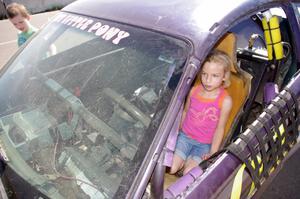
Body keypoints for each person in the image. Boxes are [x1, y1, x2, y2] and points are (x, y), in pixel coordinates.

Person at [170, 50, 233, 175]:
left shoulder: (225, 101)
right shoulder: (193, 91)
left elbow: (220, 128)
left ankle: (188, 162)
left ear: (224, 76)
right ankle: (183, 160)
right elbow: (185, 112)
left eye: (215, 76)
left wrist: (212, 154)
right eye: (204, 74)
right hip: (184, 138)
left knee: (189, 174)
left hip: (204, 146)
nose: (208, 80)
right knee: (171, 168)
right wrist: (175, 135)